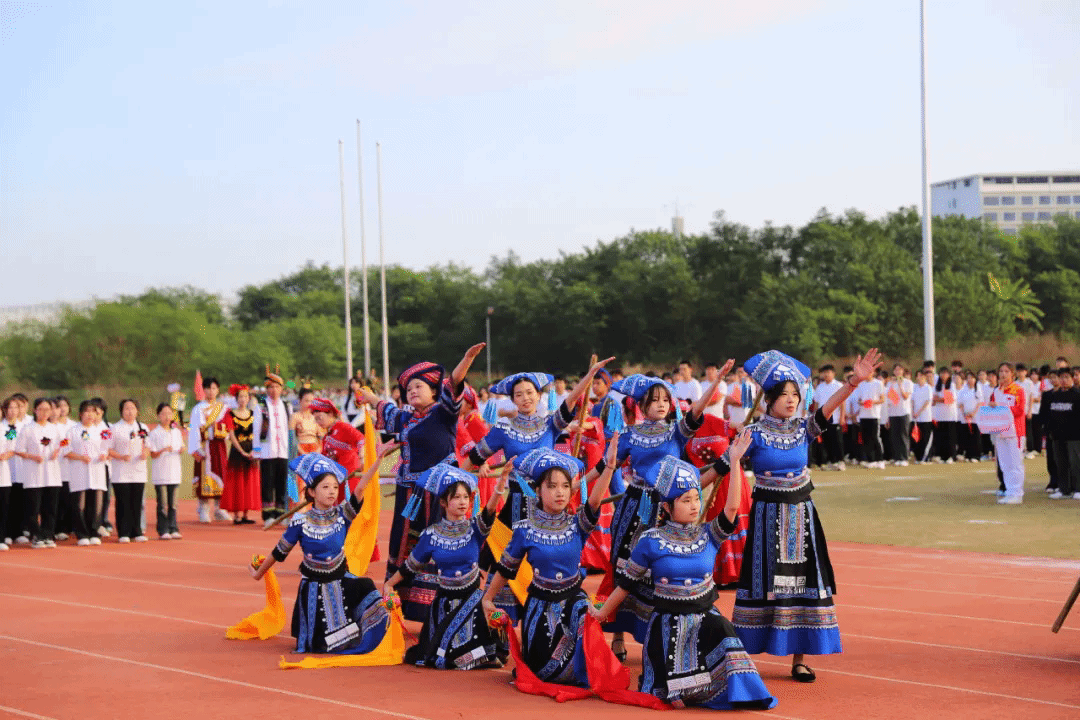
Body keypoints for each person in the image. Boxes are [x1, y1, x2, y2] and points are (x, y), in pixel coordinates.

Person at [710, 348, 880, 682]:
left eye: (795, 395)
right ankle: (744, 659)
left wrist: (853, 383)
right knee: (765, 585)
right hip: (766, 519)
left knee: (803, 584)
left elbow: (829, 408)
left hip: (801, 516)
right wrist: (679, 491)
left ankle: (799, 660)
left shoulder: (804, 428)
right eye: (784, 395)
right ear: (768, 400)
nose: (791, 400)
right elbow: (719, 468)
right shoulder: (753, 433)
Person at [591, 447, 777, 710]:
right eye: (685, 500)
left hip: (704, 620)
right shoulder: (651, 541)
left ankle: (733, 690)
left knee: (724, 628)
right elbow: (626, 584)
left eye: (696, 499)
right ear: (667, 507)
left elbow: (733, 507)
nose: (694, 506)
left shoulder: (709, 534)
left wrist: (735, 461)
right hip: (667, 624)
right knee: (670, 695)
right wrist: (602, 613)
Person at [581, 365, 730, 656]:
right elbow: (604, 465)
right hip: (634, 506)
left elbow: (696, 411)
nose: (661, 405)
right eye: (654, 400)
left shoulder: (677, 431)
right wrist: (576, 484)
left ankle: (657, 634)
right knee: (624, 568)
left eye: (665, 400)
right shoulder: (629, 435)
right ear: (641, 405)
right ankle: (618, 635)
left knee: (660, 571)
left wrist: (717, 381)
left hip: (667, 508)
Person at [461, 360, 613, 623]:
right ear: (512, 400)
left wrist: (589, 375)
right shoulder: (503, 429)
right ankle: (499, 625)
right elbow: (474, 457)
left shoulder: (550, 423)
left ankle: (549, 620)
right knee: (502, 562)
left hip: (550, 505)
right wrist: (458, 483)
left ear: (539, 395)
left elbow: (570, 402)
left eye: (530, 393)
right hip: (515, 505)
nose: (525, 398)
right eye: (519, 394)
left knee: (548, 561)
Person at [355, 344, 487, 622]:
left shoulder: (443, 413)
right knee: (405, 546)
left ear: (434, 391)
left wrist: (466, 358)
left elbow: (455, 382)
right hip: (408, 494)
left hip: (439, 494)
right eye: (409, 388)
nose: (412, 391)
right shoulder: (405, 418)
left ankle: (435, 608)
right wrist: (369, 396)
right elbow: (386, 408)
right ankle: (401, 604)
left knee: (436, 544)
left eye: (419, 386)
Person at [481, 444, 619, 690]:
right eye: (552, 486)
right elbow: (507, 568)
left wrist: (609, 468)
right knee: (541, 673)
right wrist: (488, 598)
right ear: (538, 490)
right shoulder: (525, 529)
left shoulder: (578, 524)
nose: (560, 492)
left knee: (583, 616)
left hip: (573, 600)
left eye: (565, 486)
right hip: (540, 604)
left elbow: (595, 502)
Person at [251, 453, 392, 654]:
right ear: (311, 492)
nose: (332, 491)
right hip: (314, 589)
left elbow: (360, 488)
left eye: (335, 487)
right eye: (325, 487)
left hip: (340, 581)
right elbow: (278, 552)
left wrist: (377, 459)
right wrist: (259, 573)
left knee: (367, 587)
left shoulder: (343, 514)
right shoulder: (300, 522)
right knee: (320, 646)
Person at [382, 462, 509, 669]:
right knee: (437, 656)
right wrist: (389, 584)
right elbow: (411, 566)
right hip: (443, 602)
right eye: (456, 497)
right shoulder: (431, 535)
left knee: (454, 653)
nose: (463, 502)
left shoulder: (475, 528)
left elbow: (489, 512)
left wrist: (501, 484)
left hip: (471, 600)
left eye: (466, 497)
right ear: (443, 502)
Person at [15, 398, 63, 548]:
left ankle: (48, 535)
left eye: (47, 409)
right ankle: (37, 535)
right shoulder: (28, 429)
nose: (44, 413)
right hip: (34, 475)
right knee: (33, 508)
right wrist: (32, 457)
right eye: (41, 409)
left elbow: (64, 442)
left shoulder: (54, 428)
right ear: (35, 411)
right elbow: (19, 450)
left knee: (50, 508)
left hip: (52, 474)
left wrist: (57, 451)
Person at [63, 400, 109, 546]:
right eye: (87, 411)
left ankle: (94, 532)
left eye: (93, 412)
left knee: (96, 504)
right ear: (80, 414)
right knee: (79, 505)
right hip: (79, 472)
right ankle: (82, 533)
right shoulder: (71, 431)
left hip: (97, 471)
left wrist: (105, 455)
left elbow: (108, 447)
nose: (90, 415)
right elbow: (64, 450)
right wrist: (80, 457)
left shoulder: (103, 431)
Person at [188, 377, 231, 524]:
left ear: (218, 390)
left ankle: (220, 508)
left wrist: (218, 429)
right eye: (208, 388)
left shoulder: (223, 408)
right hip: (204, 446)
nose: (211, 391)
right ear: (204, 390)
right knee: (204, 476)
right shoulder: (198, 409)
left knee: (221, 474)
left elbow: (228, 427)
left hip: (219, 447)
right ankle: (203, 508)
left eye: (214, 388)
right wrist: (197, 448)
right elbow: (194, 429)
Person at [254, 366, 292, 525]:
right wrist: (257, 452)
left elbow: (289, 429)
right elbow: (256, 430)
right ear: (266, 389)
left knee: (282, 483)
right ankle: (268, 515)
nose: (274, 390)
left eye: (276, 387)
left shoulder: (287, 406)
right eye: (270, 387)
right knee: (268, 483)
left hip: (283, 451)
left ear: (282, 388)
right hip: (267, 451)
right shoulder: (261, 406)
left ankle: (281, 514)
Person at [108, 399, 150, 543]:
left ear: (137, 411)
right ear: (121, 411)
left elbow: (148, 445)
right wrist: (121, 456)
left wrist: (145, 453)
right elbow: (108, 449)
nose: (130, 411)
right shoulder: (115, 428)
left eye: (132, 408)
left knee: (137, 502)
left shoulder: (142, 427)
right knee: (123, 502)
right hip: (121, 472)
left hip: (138, 471)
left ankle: (137, 531)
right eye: (126, 408)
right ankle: (123, 532)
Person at [988, 362, 1026, 505]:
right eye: (1001, 371)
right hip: (1000, 432)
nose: (1003, 374)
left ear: (1012, 374)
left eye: (1006, 371)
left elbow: (1019, 410)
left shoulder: (1018, 390)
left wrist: (1000, 407)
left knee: (1015, 464)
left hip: (1015, 432)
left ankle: (1017, 493)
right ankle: (1009, 492)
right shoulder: (996, 391)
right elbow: (991, 410)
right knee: (1004, 464)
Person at [223, 385, 261, 525]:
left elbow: (257, 433)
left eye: (245, 396)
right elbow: (232, 435)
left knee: (249, 481)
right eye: (240, 397)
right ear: (236, 398)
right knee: (237, 482)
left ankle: (245, 513)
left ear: (249, 398)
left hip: (251, 450)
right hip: (237, 451)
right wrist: (242, 451)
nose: (243, 399)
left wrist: (254, 451)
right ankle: (237, 515)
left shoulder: (253, 414)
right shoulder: (230, 414)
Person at [148, 403, 184, 539]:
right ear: (158, 416)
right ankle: (163, 530)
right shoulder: (154, 433)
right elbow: (152, 454)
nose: (167, 417)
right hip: (161, 474)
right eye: (164, 414)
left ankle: (173, 528)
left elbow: (181, 447)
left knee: (173, 504)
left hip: (174, 472)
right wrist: (163, 450)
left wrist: (181, 449)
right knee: (162, 504)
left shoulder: (176, 432)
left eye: (169, 413)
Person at [1046, 369, 1080, 499]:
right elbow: (1050, 415)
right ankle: (1063, 489)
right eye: (1061, 377)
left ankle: (1078, 489)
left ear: (1072, 378)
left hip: (1074, 436)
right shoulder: (1054, 395)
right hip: (1057, 435)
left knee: (1075, 463)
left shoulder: (1077, 395)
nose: (1063, 380)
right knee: (1061, 463)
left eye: (1066, 377)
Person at [52, 396, 77, 541]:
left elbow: (68, 444)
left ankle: (66, 527)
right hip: (50, 469)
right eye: (57, 406)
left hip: (68, 469)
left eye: (64, 406)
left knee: (67, 500)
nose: (61, 409)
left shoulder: (73, 426)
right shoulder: (46, 426)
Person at [813, 364, 845, 471]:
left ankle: (840, 461)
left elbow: (842, 402)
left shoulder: (838, 385)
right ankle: (831, 461)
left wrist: (842, 417)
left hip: (835, 418)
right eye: (824, 372)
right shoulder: (820, 387)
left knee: (837, 441)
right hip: (823, 419)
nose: (826, 374)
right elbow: (817, 403)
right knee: (827, 441)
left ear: (833, 373)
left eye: (828, 372)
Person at [856, 370, 885, 468]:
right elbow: (859, 399)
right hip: (863, 415)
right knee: (866, 438)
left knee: (875, 437)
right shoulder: (861, 384)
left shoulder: (878, 383)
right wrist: (861, 402)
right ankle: (871, 460)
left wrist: (872, 402)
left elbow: (882, 399)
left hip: (874, 415)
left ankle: (880, 460)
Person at [886, 364, 913, 466]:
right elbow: (889, 399)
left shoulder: (908, 382)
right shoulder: (890, 383)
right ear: (893, 372)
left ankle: (904, 458)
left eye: (899, 370)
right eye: (896, 370)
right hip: (893, 413)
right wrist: (893, 384)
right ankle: (897, 457)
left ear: (903, 371)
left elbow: (905, 396)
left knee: (903, 435)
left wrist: (900, 385)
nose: (897, 372)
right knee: (895, 436)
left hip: (904, 412)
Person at [932, 367, 959, 464]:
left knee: (950, 437)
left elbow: (949, 400)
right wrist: (939, 399)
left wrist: (939, 399)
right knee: (941, 436)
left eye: (945, 373)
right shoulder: (937, 386)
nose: (943, 375)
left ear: (949, 375)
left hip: (950, 415)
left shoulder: (951, 385)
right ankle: (943, 456)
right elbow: (933, 399)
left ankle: (951, 456)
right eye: (941, 373)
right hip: (940, 415)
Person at [0, 399, 17, 550]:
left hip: (3, 476)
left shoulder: (10, 429)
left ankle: (2, 538)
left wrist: (6, 455)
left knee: (3, 507)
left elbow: (13, 448)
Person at [292, 387, 324, 455]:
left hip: (315, 449)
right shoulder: (295, 416)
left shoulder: (315, 416)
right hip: (301, 449)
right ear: (300, 400)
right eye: (306, 401)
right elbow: (292, 438)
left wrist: (317, 451)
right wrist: (303, 452)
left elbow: (321, 438)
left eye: (311, 401)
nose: (309, 404)